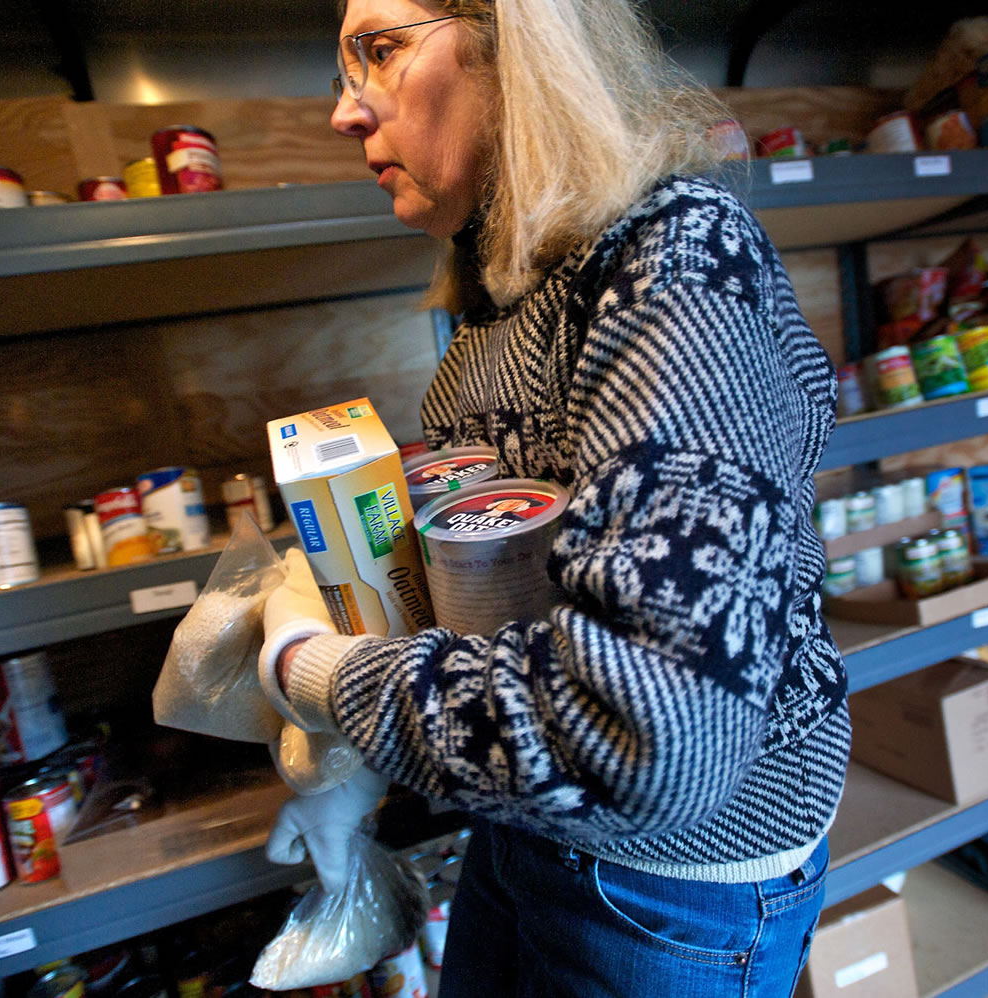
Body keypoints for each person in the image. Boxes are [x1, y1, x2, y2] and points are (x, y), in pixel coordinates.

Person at [259, 1, 849, 994]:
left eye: (381, 49)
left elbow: (654, 735)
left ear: (513, 42)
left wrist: (317, 671)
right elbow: (505, 598)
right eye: (341, 69)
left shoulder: (676, 264)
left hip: (669, 881)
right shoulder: (498, 310)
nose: (345, 113)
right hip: (533, 822)